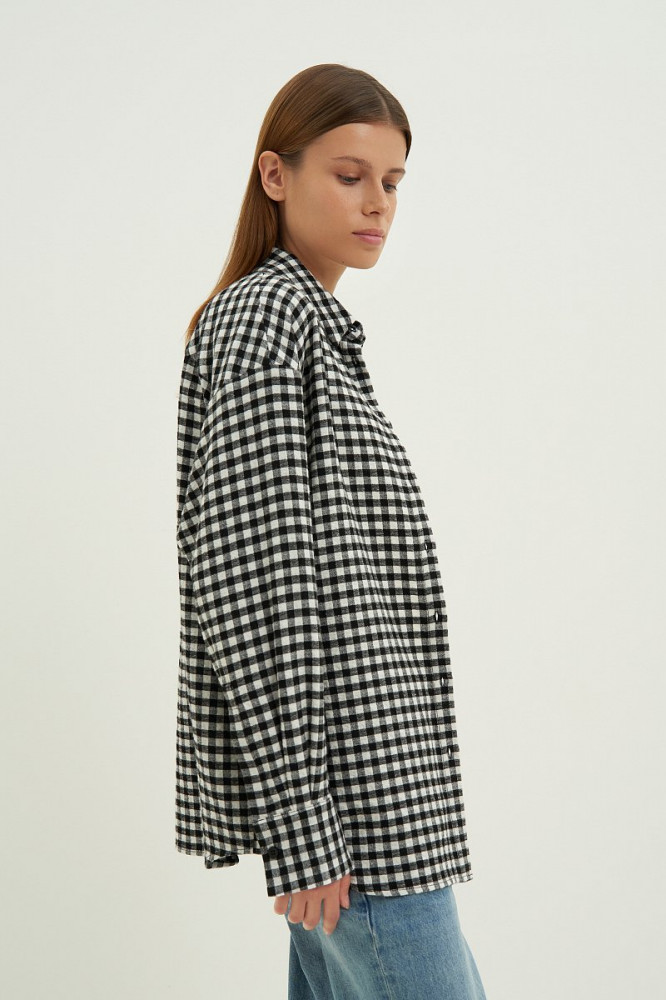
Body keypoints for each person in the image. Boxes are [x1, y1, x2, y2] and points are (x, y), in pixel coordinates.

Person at [175, 63, 488, 999]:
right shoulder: (268, 321)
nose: (377, 203)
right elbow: (248, 587)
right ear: (276, 175)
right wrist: (304, 824)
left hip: (369, 787)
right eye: (349, 176)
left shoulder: (312, 328)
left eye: (391, 181)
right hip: (355, 803)